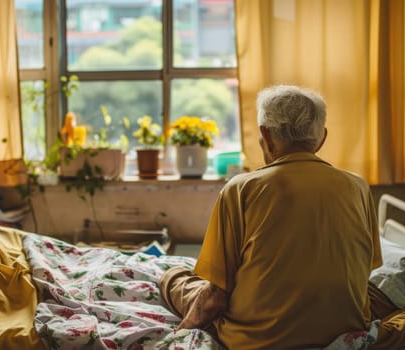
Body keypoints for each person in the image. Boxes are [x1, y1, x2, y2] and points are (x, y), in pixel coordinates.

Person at [160, 85, 383, 348]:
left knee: (174, 276)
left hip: (256, 339)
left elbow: (216, 296)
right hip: (344, 328)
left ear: (265, 135)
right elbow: (365, 269)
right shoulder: (358, 186)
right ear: (321, 138)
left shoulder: (241, 188)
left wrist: (178, 335)